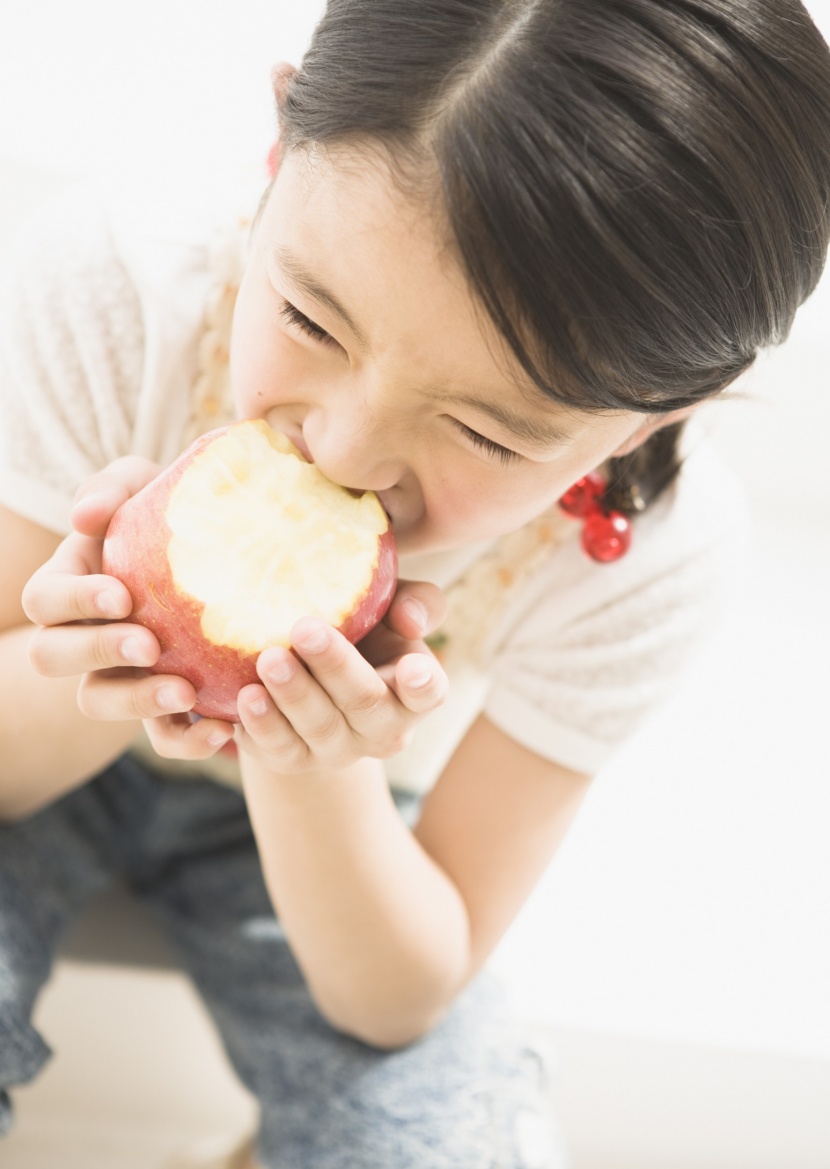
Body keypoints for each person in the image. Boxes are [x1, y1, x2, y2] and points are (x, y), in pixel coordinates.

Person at [3, 1, 830, 1166]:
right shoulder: (123, 290)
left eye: (487, 436)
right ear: (279, 147)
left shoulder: (647, 564)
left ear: (660, 411)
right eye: (304, 317)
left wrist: (314, 762)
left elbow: (392, 995)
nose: (342, 456)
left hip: (352, 830)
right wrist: (105, 653)